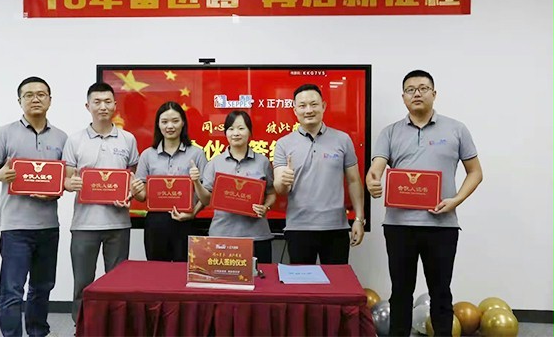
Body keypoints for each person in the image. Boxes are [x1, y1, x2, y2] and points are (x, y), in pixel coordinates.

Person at [366, 70, 483, 337]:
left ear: (434, 93)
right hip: (399, 226)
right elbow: (377, 167)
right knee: (400, 292)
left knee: (441, 292)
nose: (416, 93)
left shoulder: (456, 129)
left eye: (423, 88)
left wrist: (456, 200)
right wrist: (372, 180)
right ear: (403, 97)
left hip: (442, 226)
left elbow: (475, 172)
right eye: (410, 89)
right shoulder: (390, 132)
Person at [0, 76, 67, 337]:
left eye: (41, 94)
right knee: (12, 291)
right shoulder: (4, 133)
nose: (35, 99)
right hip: (15, 226)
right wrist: (0, 175)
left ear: (50, 100)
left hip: (48, 226)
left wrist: (58, 191)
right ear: (19, 101)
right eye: (28, 95)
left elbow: (63, 178)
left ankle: (37, 332)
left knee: (42, 287)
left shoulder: (62, 137)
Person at [62, 82, 139, 323]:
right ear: (88, 106)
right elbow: (67, 178)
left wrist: (129, 192)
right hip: (84, 224)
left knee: (118, 284)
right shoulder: (74, 140)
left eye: (107, 102)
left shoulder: (128, 139)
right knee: (83, 283)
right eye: (97, 102)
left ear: (115, 105)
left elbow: (132, 177)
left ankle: (116, 327)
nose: (103, 107)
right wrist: (70, 184)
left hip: (118, 223)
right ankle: (81, 326)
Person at [273, 83, 365, 265]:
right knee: (302, 282)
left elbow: (354, 181)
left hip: (336, 228)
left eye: (314, 104)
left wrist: (359, 219)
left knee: (337, 282)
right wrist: (284, 181)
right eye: (302, 106)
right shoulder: (283, 144)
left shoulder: (342, 139)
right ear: (295, 110)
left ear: (323, 106)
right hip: (298, 228)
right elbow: (280, 189)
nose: (308, 110)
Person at [193, 111, 276, 263]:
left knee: (261, 277)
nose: (236, 133)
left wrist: (265, 207)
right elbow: (206, 200)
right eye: (231, 129)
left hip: (257, 236)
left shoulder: (263, 162)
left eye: (241, 128)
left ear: (249, 132)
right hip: (222, 236)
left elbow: (271, 193)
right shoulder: (215, 163)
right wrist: (196, 182)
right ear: (225, 133)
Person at [130, 101, 207, 261]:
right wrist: (136, 191)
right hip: (156, 224)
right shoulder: (147, 155)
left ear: (183, 123)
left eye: (175, 121)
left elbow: (207, 195)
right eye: (164, 122)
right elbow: (142, 197)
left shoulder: (196, 154)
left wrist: (193, 213)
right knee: (157, 271)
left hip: (186, 222)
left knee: (184, 271)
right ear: (158, 125)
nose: (170, 126)